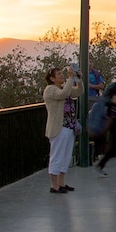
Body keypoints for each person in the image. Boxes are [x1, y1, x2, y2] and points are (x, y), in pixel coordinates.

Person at [44, 65, 83, 193]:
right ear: (52, 78)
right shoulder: (50, 90)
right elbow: (63, 94)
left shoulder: (62, 87)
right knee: (57, 156)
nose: (62, 76)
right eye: (59, 74)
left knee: (66, 156)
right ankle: (54, 185)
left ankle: (61, 182)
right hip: (58, 127)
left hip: (69, 127)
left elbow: (78, 92)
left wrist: (79, 80)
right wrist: (70, 78)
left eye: (62, 74)